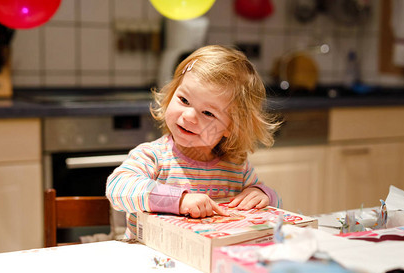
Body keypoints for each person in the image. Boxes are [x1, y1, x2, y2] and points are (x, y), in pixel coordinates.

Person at [106, 45, 282, 238]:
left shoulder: (236, 166)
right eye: (184, 100)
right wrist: (180, 201)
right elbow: (117, 188)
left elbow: (276, 208)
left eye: (208, 113)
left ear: (231, 127)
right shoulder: (154, 156)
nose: (189, 116)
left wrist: (263, 195)